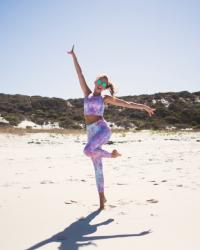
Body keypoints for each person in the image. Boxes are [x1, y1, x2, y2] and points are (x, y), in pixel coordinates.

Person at [67, 45, 156, 210]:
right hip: (91, 133)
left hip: (102, 130)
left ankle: (112, 155)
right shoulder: (86, 93)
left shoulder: (105, 98)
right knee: (97, 168)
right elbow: (79, 73)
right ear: (95, 82)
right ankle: (102, 202)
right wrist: (74, 56)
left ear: (105, 87)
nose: (101, 84)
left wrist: (144, 107)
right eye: (99, 81)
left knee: (87, 151)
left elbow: (126, 103)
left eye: (104, 83)